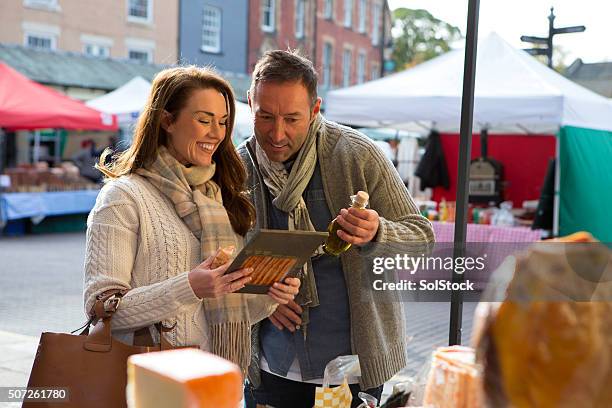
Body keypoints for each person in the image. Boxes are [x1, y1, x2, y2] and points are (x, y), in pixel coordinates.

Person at [239, 51, 435, 408]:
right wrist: (260, 298)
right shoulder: (238, 167)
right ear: (250, 103)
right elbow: (219, 257)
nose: (277, 133)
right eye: (264, 116)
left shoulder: (358, 154)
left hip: (353, 367)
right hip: (269, 364)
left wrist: (379, 232)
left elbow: (422, 238)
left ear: (316, 110)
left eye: (292, 119)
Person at [83, 66, 300, 372]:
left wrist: (269, 296)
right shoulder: (124, 196)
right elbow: (101, 310)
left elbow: (230, 310)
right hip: (152, 381)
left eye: (223, 122)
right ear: (167, 120)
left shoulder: (218, 197)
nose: (217, 133)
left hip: (214, 378)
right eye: (204, 120)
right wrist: (189, 287)